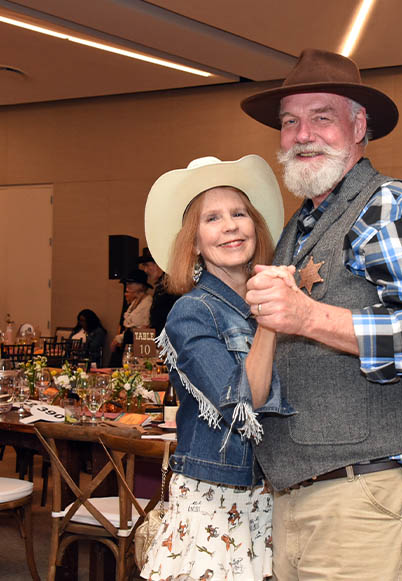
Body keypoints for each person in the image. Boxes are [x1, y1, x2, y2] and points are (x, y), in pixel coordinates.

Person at [240, 48, 402, 579]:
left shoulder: (394, 205)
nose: (302, 134)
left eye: (322, 117)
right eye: (289, 122)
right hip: (300, 495)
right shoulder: (299, 226)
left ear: (359, 126)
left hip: (371, 498)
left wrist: (307, 317)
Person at [140, 154, 292, 580]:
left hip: (275, 491)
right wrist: (270, 318)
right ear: (194, 242)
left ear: (255, 227)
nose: (230, 225)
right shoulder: (191, 312)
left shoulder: (275, 302)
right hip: (217, 498)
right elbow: (243, 402)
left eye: (239, 213)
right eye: (213, 218)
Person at [109, 269, 152, 365]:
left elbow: (138, 324)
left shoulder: (147, 301)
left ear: (140, 285)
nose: (127, 286)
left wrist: (120, 338)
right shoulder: (136, 301)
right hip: (130, 339)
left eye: (130, 283)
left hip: (139, 341)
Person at [137, 247, 178, 335]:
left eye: (147, 265)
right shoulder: (163, 285)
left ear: (158, 264)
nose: (145, 270)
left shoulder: (170, 287)